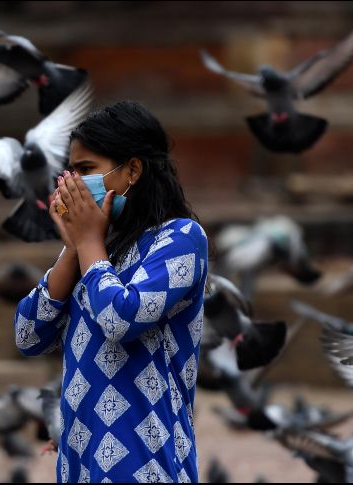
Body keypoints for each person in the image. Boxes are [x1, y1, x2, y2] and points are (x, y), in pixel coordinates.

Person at [14, 100, 208, 483]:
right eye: (69, 171)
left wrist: (87, 243)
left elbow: (121, 318)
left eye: (86, 170)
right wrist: (73, 247)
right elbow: (27, 335)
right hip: (79, 466)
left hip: (149, 465)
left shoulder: (181, 238)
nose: (71, 184)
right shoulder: (97, 250)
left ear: (133, 170)